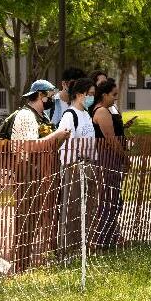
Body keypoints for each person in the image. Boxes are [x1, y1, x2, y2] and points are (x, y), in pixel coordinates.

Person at [9, 79, 71, 272]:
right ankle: (19, 267)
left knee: (38, 218)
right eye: (50, 96)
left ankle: (28, 264)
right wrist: (56, 135)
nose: (52, 99)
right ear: (40, 95)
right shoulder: (27, 116)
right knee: (26, 219)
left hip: (41, 170)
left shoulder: (42, 116)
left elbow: (46, 144)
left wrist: (59, 138)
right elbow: (30, 145)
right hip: (27, 170)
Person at [58, 78, 98, 258]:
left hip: (89, 166)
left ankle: (82, 245)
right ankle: (67, 249)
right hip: (74, 167)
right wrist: (74, 164)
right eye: (89, 94)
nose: (91, 97)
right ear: (79, 94)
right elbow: (66, 145)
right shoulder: (70, 115)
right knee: (72, 208)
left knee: (87, 208)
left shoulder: (87, 114)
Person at [91, 78, 126, 248]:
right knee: (110, 201)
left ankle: (109, 238)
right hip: (108, 159)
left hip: (109, 159)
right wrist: (125, 158)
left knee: (114, 201)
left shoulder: (104, 110)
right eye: (113, 95)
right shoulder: (102, 112)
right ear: (104, 95)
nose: (115, 98)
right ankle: (103, 240)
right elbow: (111, 140)